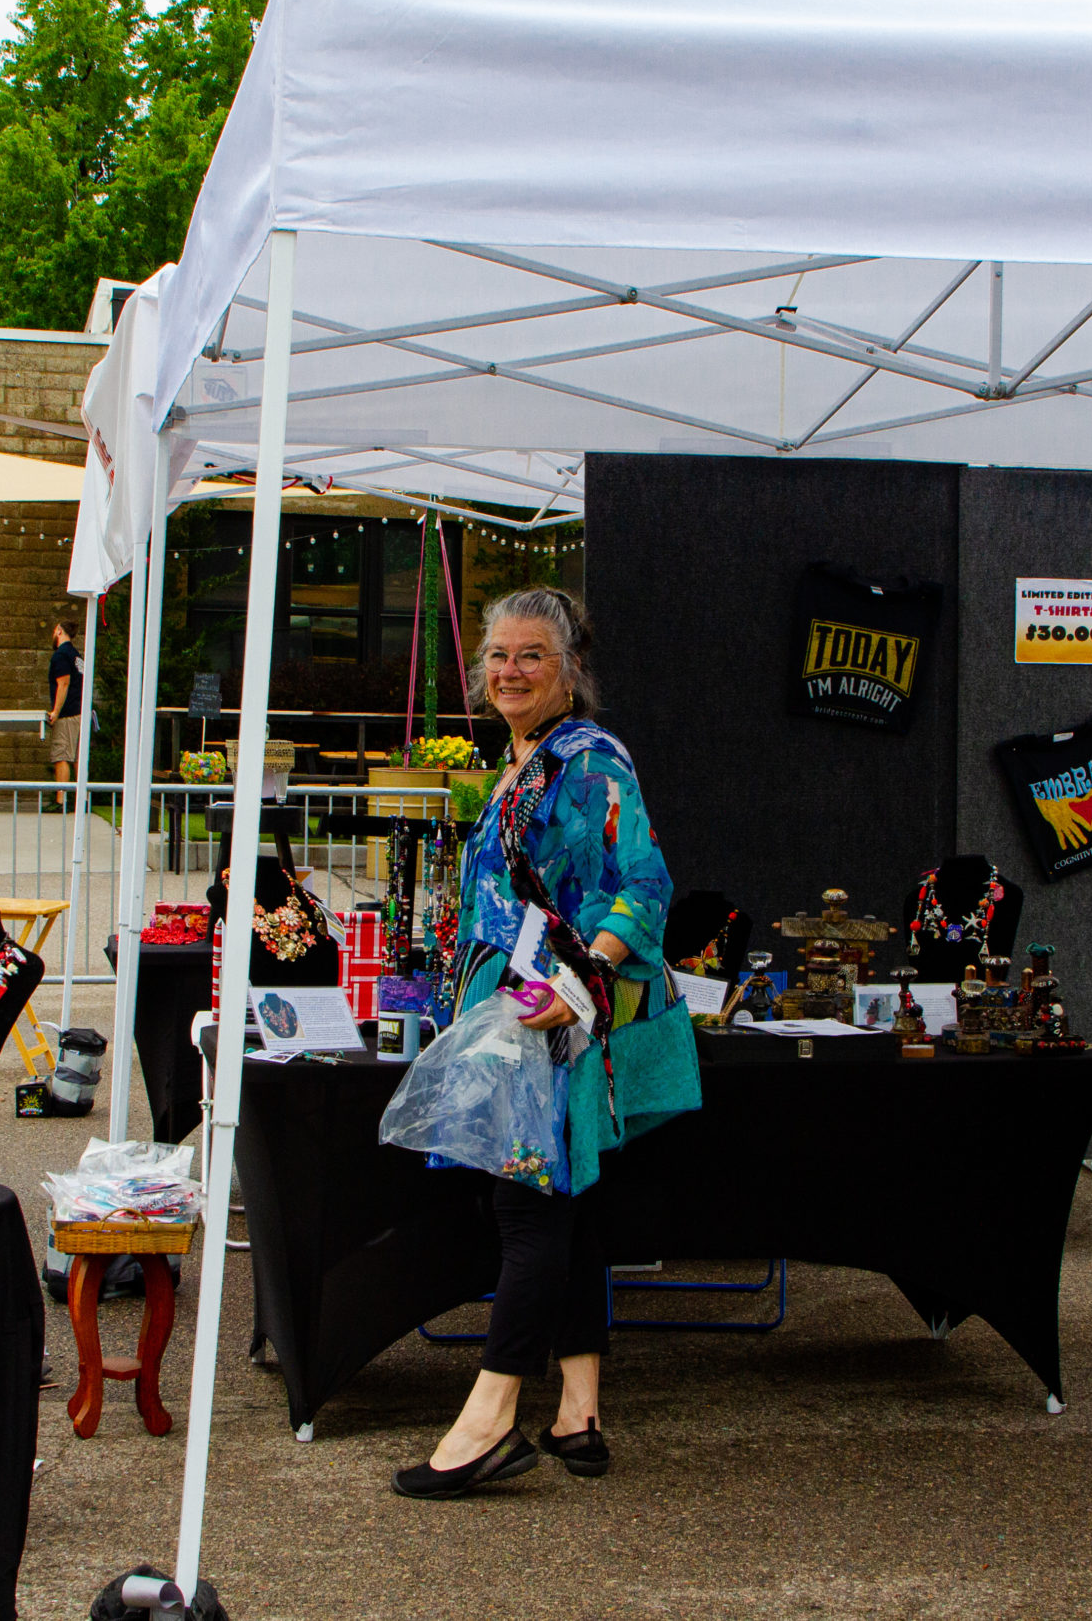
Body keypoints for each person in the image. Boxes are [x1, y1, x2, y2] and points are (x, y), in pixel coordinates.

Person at [392, 587, 701, 1501]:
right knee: (570, 1200)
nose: (510, 670)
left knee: (527, 1205)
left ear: (571, 671)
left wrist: (582, 979)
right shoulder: (524, 758)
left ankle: (488, 1421)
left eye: (532, 655)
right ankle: (578, 1409)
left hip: (551, 1019)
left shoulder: (591, 758)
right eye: (497, 654)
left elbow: (644, 882)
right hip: (525, 1014)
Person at [46, 613, 84, 798]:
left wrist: (56, 711)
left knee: (61, 755)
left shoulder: (60, 655)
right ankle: (82, 799)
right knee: (78, 757)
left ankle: (61, 801)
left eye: (55, 631)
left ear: (59, 631)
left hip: (67, 714)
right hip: (80, 711)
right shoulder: (77, 656)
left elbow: (64, 683)